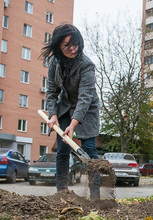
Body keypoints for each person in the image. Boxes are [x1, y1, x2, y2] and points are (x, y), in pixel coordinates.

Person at [41, 24, 101, 200]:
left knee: (90, 150)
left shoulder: (87, 65)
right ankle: (62, 193)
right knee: (62, 150)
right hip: (65, 107)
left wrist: (73, 125)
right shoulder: (54, 62)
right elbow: (51, 91)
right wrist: (53, 115)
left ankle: (95, 196)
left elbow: (85, 98)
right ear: (58, 45)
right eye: (67, 45)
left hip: (87, 109)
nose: (73, 48)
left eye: (75, 43)